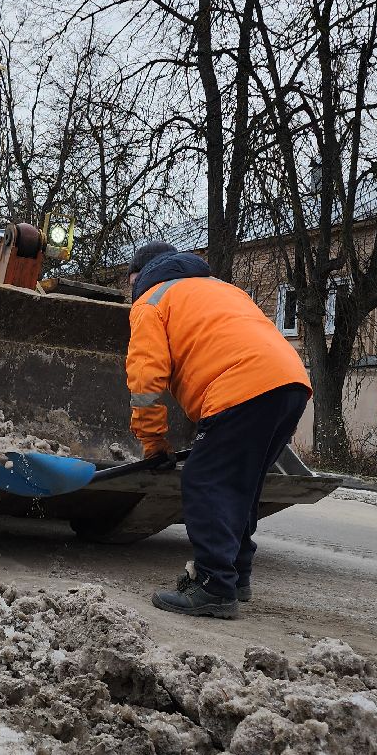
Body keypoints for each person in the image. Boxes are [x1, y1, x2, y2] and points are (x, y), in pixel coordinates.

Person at [125, 240, 313, 619]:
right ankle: (237, 576)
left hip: (241, 386)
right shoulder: (222, 289)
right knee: (242, 484)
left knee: (205, 480)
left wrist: (153, 442)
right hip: (291, 382)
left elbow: (146, 383)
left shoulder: (150, 301)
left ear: (136, 277)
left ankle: (213, 586)